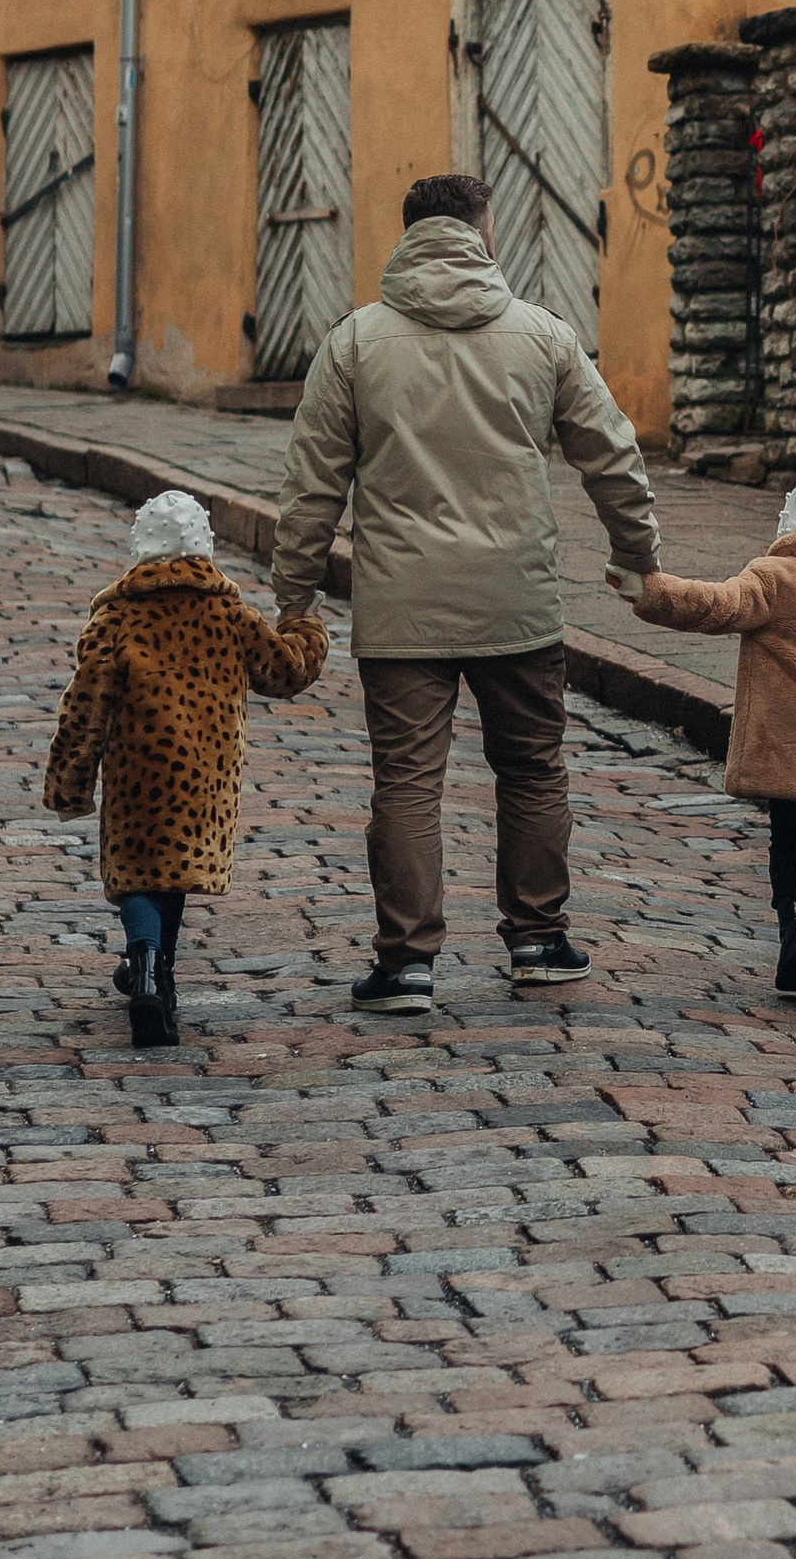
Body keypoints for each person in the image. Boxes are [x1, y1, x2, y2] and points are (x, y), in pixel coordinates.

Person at [271, 172, 661, 1008]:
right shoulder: (544, 337)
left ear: (408, 236)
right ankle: (539, 939)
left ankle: (407, 960)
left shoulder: (354, 343)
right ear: (487, 235)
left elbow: (311, 488)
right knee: (531, 769)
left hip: (402, 609)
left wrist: (293, 596)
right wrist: (639, 555)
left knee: (408, 780)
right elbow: (613, 455)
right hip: (516, 605)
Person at [44, 488, 329, 1047]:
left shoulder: (118, 617)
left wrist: (70, 783)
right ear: (204, 546)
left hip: (135, 771)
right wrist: (309, 629)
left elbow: (85, 706)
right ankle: (156, 974)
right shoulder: (229, 613)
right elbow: (284, 670)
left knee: (138, 874)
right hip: (206, 775)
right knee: (176, 869)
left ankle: (146, 961)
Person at [623, 472, 796, 1021]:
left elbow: (713, 605)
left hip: (790, 751)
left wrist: (649, 591)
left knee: (788, 847)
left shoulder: (773, 578)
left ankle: (795, 935)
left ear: (790, 521)